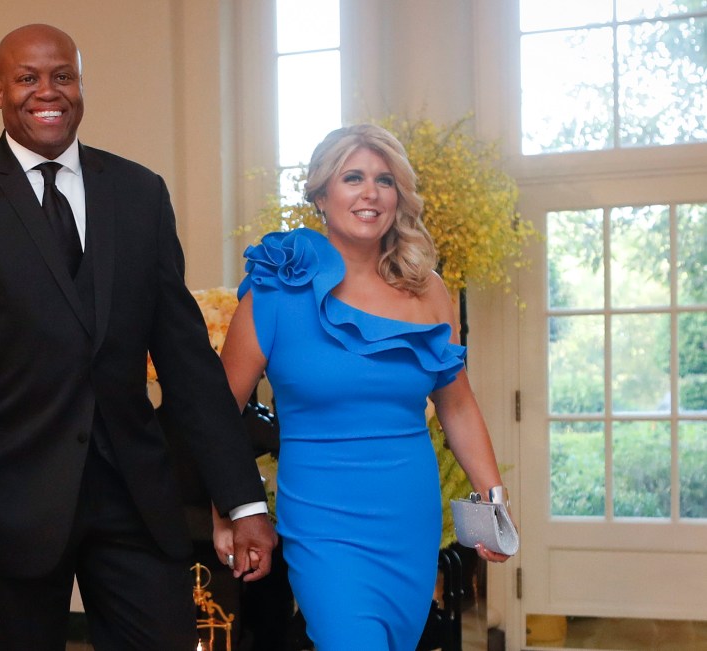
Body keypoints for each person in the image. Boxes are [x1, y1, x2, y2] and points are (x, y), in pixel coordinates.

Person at [0, 23, 275, 651]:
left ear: (80, 86)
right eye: (28, 78)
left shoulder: (140, 193)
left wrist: (243, 500)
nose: (48, 91)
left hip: (135, 500)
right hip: (8, 512)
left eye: (62, 75)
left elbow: (187, 362)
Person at [212, 123, 514, 650]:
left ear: (400, 198)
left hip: (408, 515)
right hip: (323, 521)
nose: (370, 192)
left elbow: (458, 405)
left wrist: (493, 501)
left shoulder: (429, 292)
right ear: (321, 194)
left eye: (385, 180)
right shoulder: (275, 291)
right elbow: (214, 416)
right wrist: (228, 513)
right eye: (353, 177)